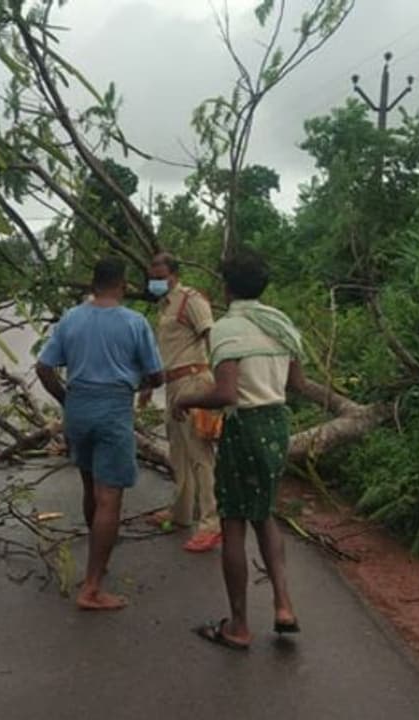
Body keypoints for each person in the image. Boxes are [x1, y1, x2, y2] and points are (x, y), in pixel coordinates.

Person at [172, 249, 304, 650]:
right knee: (264, 513)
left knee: (232, 521)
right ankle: (283, 606)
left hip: (244, 427)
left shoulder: (228, 329)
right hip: (276, 425)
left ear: (227, 287)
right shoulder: (280, 323)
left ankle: (239, 625)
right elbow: (296, 384)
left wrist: (187, 400)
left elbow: (226, 392)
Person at [36, 256, 164, 611]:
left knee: (90, 485)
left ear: (93, 284)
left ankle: (97, 559)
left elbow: (44, 367)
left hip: (78, 408)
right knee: (110, 498)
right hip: (112, 410)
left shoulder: (71, 318)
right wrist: (141, 381)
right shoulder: (134, 323)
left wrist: (67, 399)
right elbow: (157, 376)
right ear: (122, 284)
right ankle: (92, 586)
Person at [140, 252, 222, 553]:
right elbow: (167, 350)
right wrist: (150, 386)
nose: (156, 281)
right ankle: (181, 511)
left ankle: (211, 522)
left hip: (194, 382)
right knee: (178, 450)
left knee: (200, 454)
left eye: (160, 276)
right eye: (153, 277)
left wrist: (219, 384)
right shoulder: (166, 305)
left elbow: (211, 336)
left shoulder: (191, 300)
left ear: (174, 274)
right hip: (173, 384)